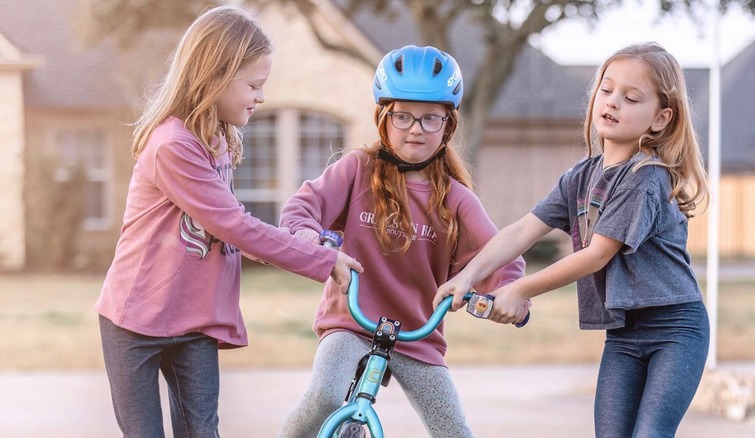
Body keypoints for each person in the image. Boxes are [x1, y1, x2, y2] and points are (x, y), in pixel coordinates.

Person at [94, 6, 363, 437]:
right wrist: (319, 258)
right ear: (214, 76)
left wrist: (312, 241)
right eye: (254, 85)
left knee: (203, 432)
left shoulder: (217, 139)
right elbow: (235, 226)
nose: (261, 97)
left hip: (193, 319)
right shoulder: (172, 146)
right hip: (135, 320)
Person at [435, 42, 710, 437]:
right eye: (606, 89)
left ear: (660, 119)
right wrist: (467, 276)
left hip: (676, 331)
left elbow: (596, 255)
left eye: (631, 98)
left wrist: (520, 288)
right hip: (623, 335)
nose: (613, 102)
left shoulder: (645, 177)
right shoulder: (581, 176)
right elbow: (521, 231)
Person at [276, 45, 528, 437]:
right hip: (351, 322)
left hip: (418, 332)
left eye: (431, 118)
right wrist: (318, 243)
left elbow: (499, 256)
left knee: (453, 430)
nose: (416, 128)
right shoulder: (356, 171)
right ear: (383, 118)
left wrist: (512, 293)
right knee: (325, 396)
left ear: (449, 124)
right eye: (403, 116)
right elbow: (299, 212)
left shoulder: (456, 198)